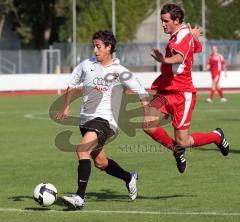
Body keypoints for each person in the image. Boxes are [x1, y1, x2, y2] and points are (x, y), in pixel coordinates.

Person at [55, 30, 149, 209]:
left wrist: (147, 113)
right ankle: (129, 177)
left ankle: (79, 198)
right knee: (101, 163)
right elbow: (71, 84)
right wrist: (66, 106)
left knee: (82, 151)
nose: (95, 51)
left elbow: (141, 90)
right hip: (85, 121)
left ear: (109, 47)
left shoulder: (119, 71)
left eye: (98, 47)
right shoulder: (85, 65)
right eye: (93, 47)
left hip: (106, 121)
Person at [143, 3, 229, 174]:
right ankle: (177, 151)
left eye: (165, 21)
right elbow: (196, 47)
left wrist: (164, 60)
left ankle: (216, 136)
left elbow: (179, 57)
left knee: (182, 140)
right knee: (148, 124)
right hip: (166, 90)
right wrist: (193, 35)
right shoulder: (181, 34)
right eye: (161, 20)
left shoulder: (182, 36)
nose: (162, 24)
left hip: (182, 95)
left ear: (176, 20)